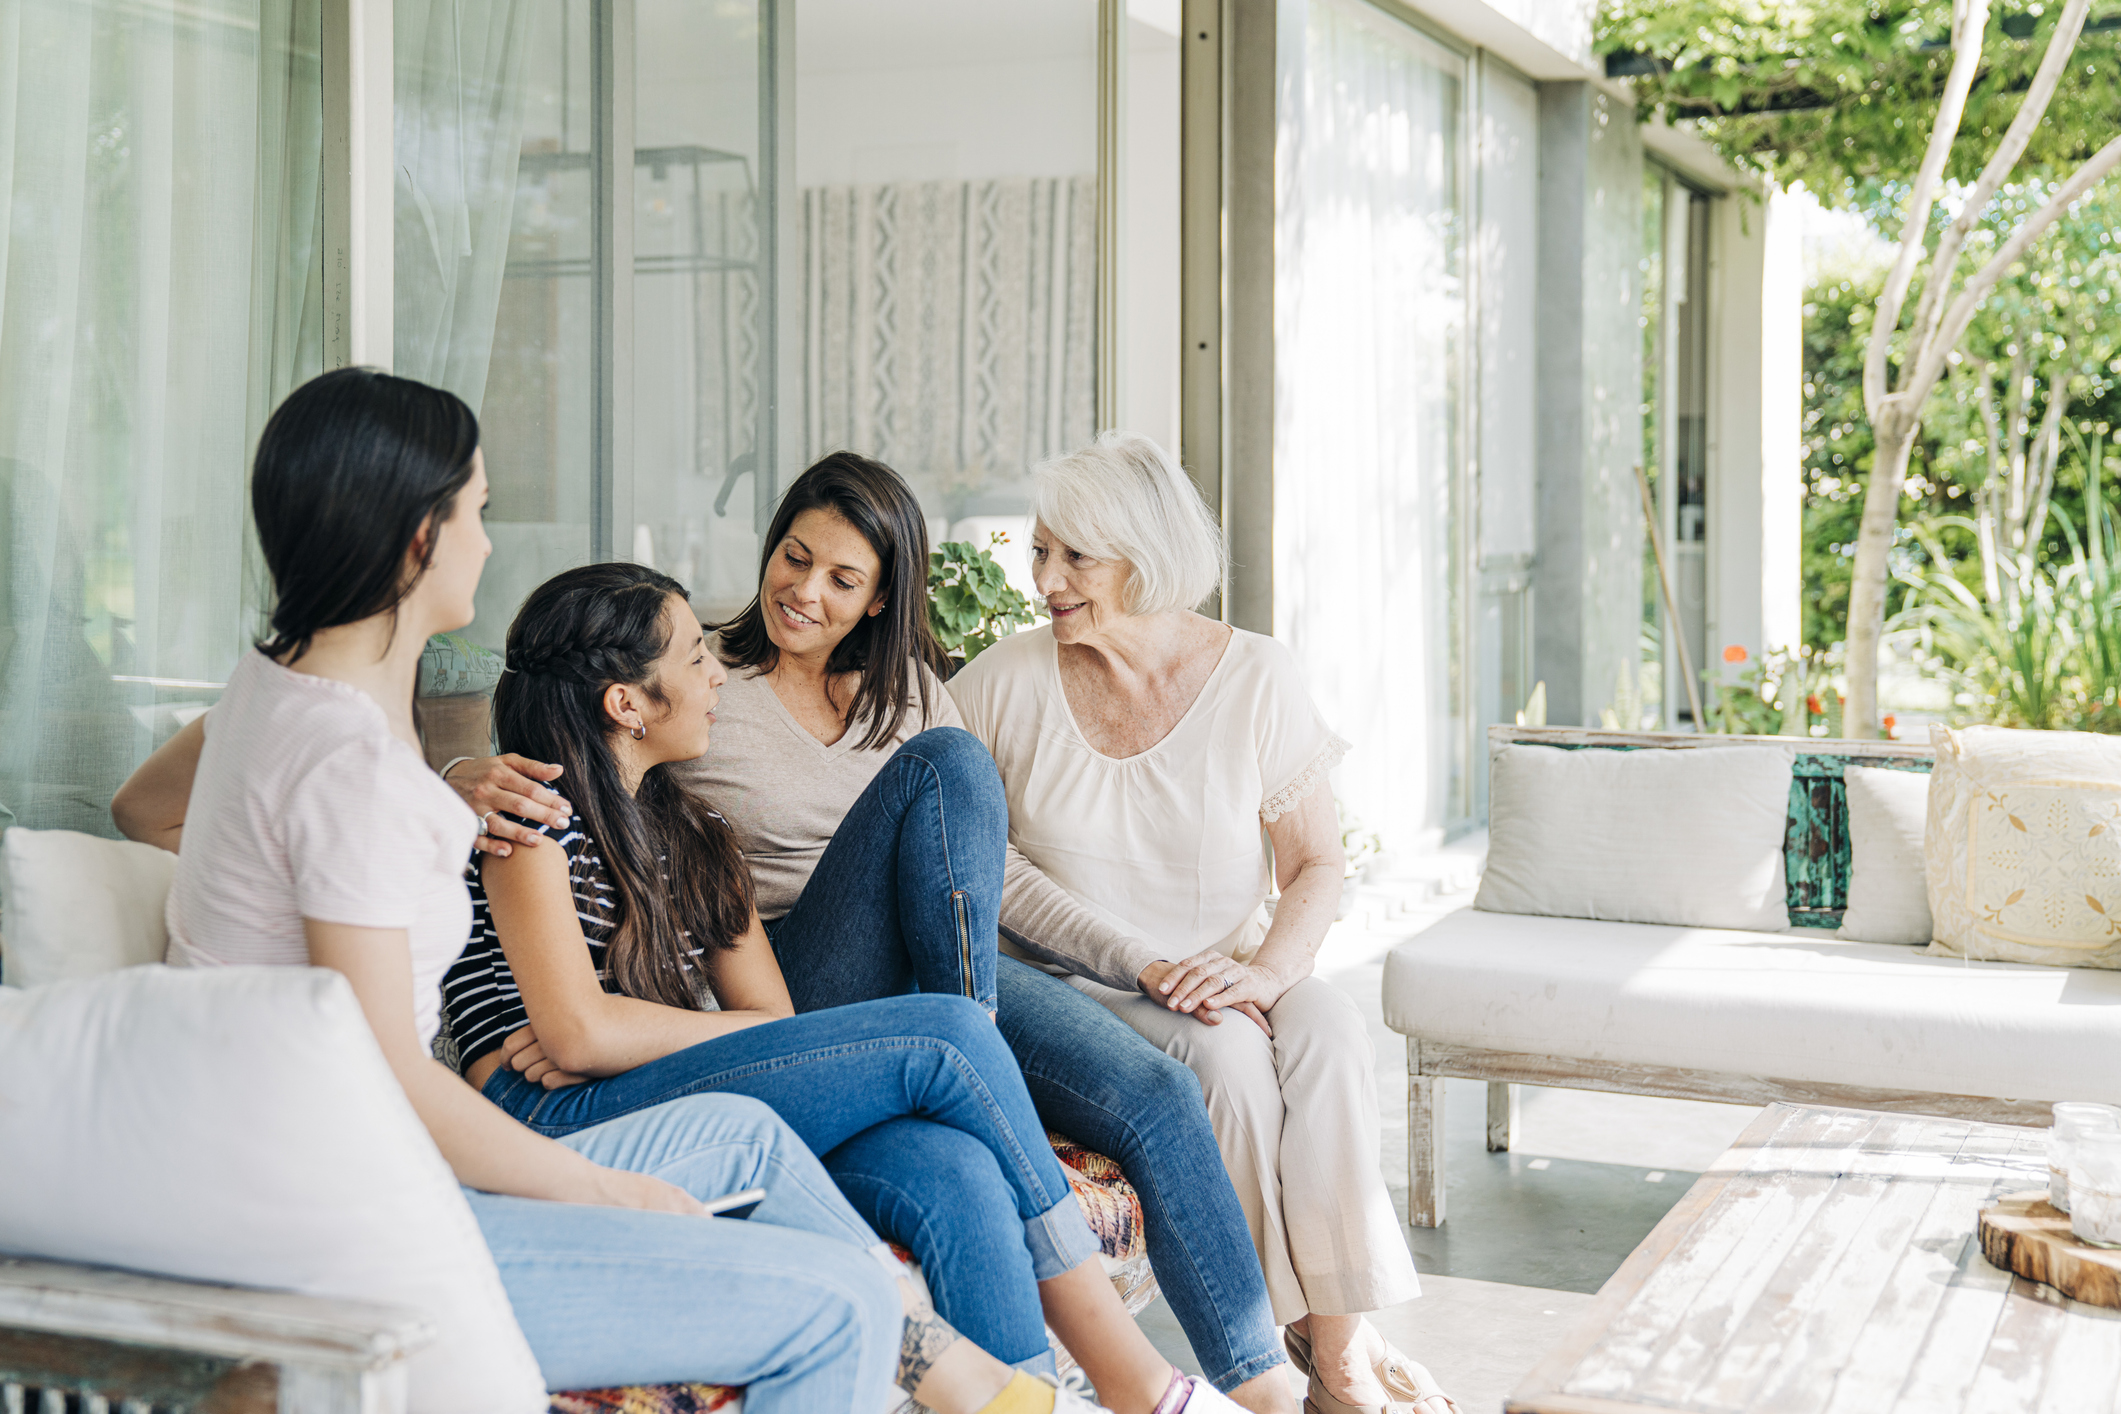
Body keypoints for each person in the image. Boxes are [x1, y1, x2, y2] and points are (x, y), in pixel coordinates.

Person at [111, 367, 1095, 1414]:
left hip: (328, 1156)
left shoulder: (276, 699)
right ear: (418, 539)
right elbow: (406, 1061)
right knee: (852, 1268)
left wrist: (428, 793)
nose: (489, 540)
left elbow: (144, 809)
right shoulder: (365, 766)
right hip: (346, 1201)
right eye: (478, 510)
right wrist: (607, 1187)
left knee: (854, 1188)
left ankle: (1004, 1388)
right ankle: (1048, 1384)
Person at [451, 452, 1297, 1414]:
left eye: (842, 578)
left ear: (880, 598)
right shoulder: (545, 814)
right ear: (629, 702)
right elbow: (579, 1028)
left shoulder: (709, 823)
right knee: (950, 1032)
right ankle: (1128, 1378)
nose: (801, 592)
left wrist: (1138, 963)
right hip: (707, 1041)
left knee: (980, 1159)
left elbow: (766, 1003)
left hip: (823, 1009)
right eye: (794, 557)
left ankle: (1175, 1389)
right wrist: (455, 775)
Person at [947, 431, 1458, 1414]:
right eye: (1040, 551)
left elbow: (1314, 864)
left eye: (1074, 556)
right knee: (1224, 1055)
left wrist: (1265, 974)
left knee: (1331, 1029)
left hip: (1228, 964)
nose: (1044, 579)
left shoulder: (1257, 675)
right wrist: (1156, 968)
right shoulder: (1001, 684)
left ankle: (1336, 1346)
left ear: (1144, 556)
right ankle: (1305, 1358)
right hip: (1084, 985)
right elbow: (982, 866)